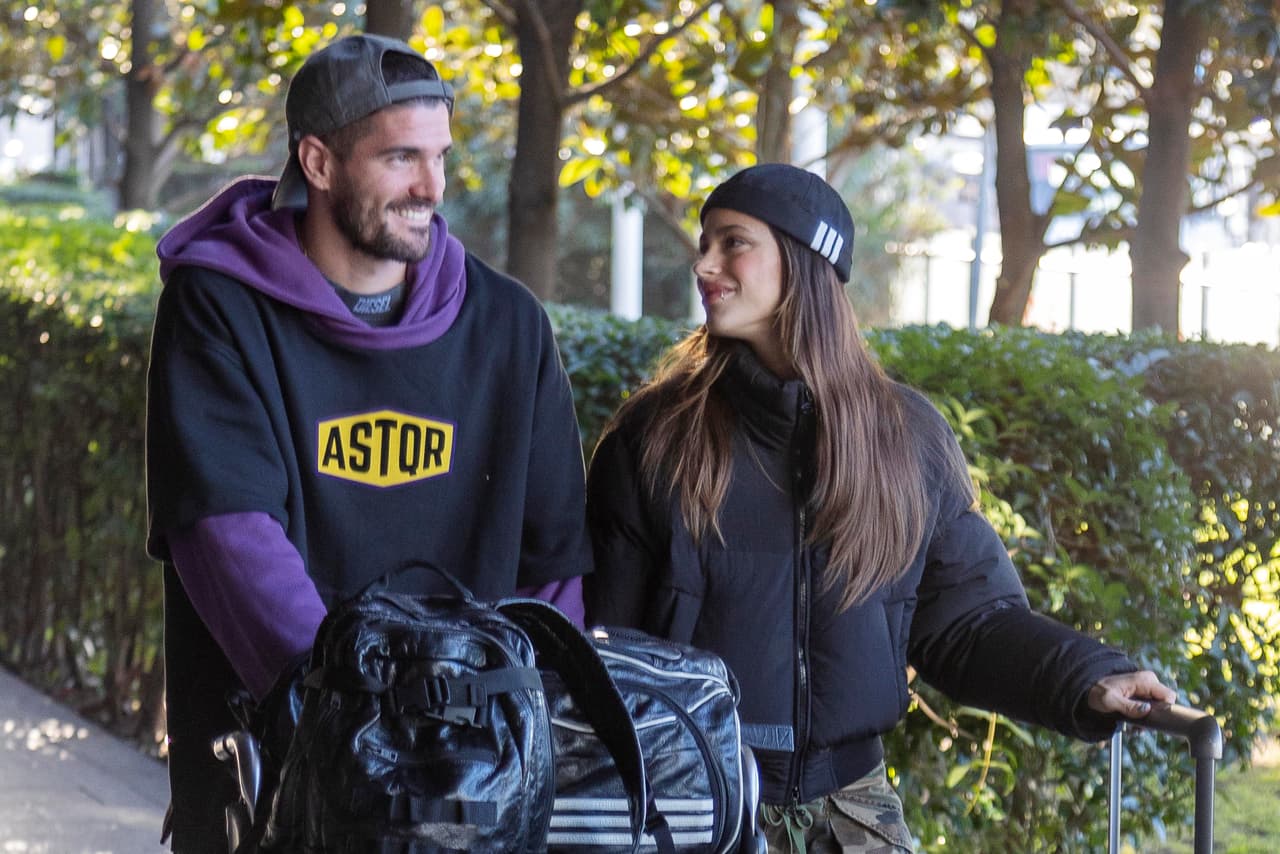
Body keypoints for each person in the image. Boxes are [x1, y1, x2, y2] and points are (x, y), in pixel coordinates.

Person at [583, 163, 1177, 853]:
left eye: (732, 241)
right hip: (692, 809)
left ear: (803, 264)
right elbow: (606, 651)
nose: (705, 263)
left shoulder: (905, 437)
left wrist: (1086, 676)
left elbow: (968, 624)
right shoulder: (655, 437)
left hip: (857, 816)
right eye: (705, 243)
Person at [145, 34, 591, 852]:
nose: (433, 186)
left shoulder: (508, 325)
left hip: (477, 797)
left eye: (441, 157)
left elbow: (552, 568)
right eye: (401, 159)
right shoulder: (221, 307)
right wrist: (365, 736)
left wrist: (507, 741)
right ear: (317, 162)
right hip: (277, 785)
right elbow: (227, 538)